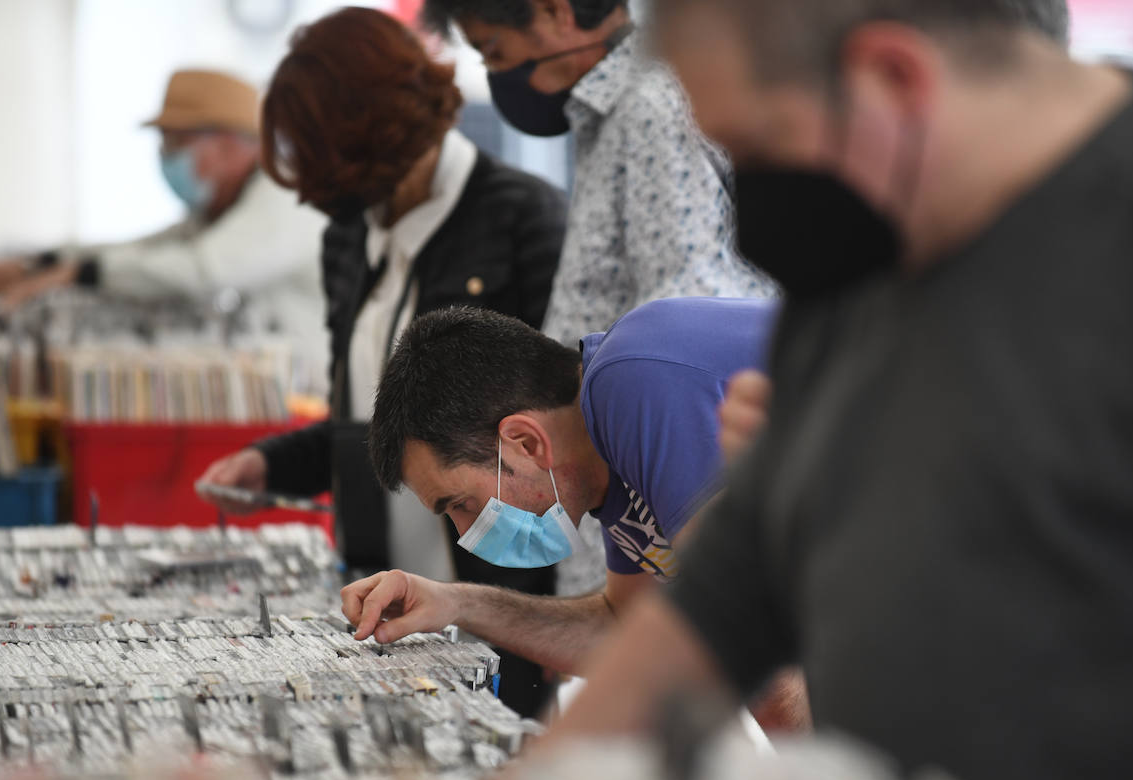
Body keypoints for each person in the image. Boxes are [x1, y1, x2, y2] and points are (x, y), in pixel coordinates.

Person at [514, 0, 1133, 780]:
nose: (748, 220)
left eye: (759, 150)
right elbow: (729, 581)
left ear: (896, 79)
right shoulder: (869, 247)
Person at [195, 8, 567, 718]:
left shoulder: (524, 222)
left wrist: (562, 623)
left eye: (334, 162)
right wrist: (274, 464)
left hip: (500, 604)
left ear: (382, 133)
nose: (324, 193)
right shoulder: (350, 237)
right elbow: (376, 420)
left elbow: (564, 441)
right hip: (383, 601)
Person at [420, 0, 778, 597]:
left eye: (495, 51)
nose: (498, 73)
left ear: (558, 13)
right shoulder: (612, 113)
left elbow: (691, 290)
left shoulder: (651, 107)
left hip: (650, 463)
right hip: (620, 468)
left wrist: (622, 418)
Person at [339, 300, 806, 731]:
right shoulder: (607, 469)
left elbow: (746, 641)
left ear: (525, 442)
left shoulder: (632, 381)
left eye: (458, 504)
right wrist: (454, 604)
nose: (464, 532)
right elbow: (621, 626)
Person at [0, 69, 330, 359]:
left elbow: (203, 268)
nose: (166, 157)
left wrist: (80, 274)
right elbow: (146, 247)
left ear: (230, 147)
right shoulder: (225, 206)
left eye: (177, 143)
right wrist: (38, 264)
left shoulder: (285, 198)